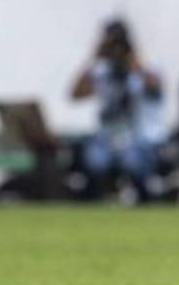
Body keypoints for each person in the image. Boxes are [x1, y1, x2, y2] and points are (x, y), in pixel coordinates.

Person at [69, 19, 166, 201]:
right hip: (107, 137)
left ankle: (144, 200)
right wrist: (94, 57)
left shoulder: (143, 70)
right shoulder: (101, 72)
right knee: (95, 161)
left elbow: (156, 89)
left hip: (138, 137)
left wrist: (134, 61)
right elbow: (76, 94)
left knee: (133, 162)